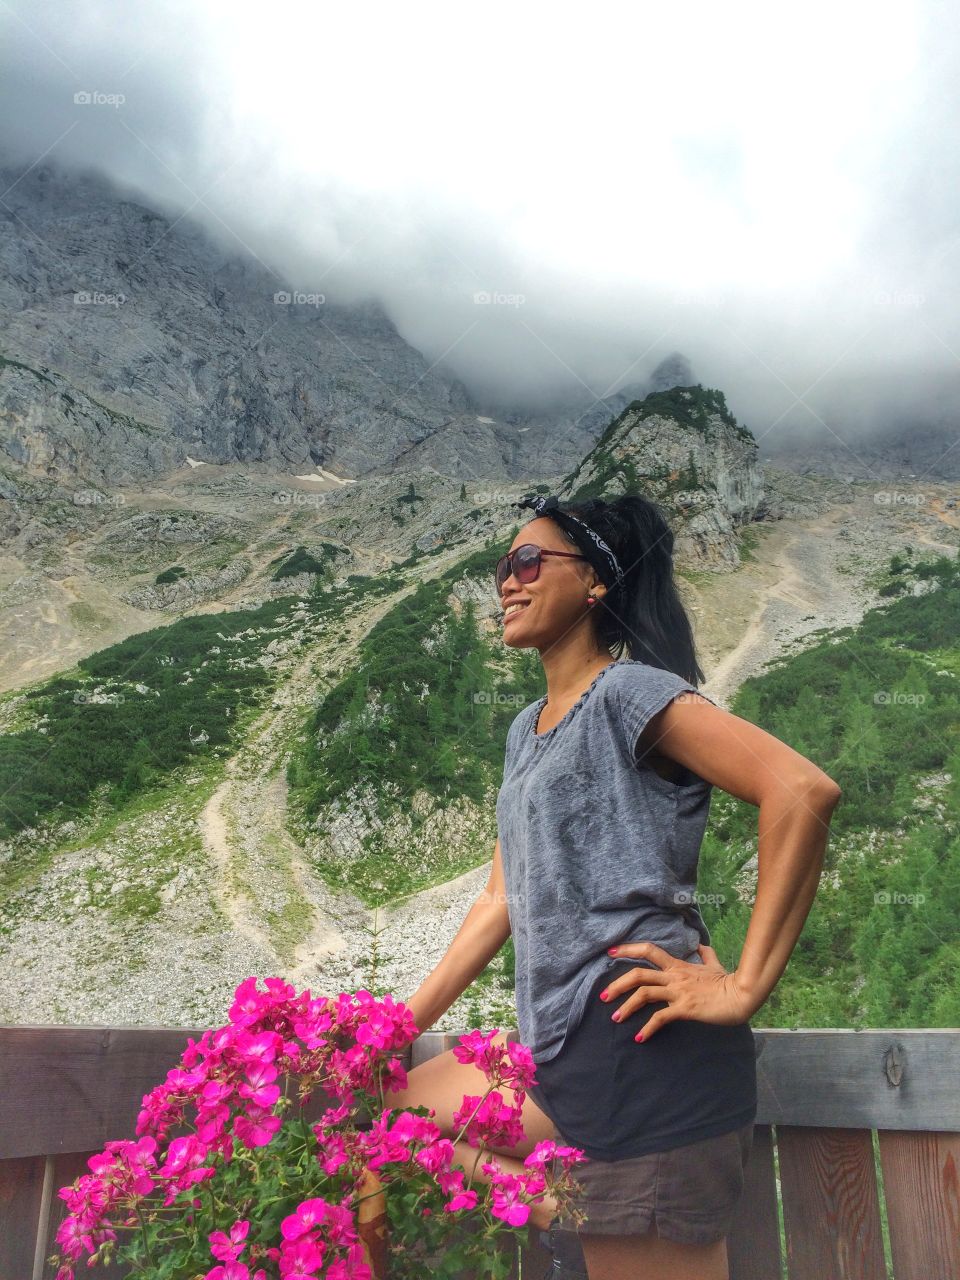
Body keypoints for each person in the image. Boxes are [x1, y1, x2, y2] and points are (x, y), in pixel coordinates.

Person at [396, 491, 842, 1280]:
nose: (508, 580)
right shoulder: (525, 728)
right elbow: (498, 901)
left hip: (645, 1054)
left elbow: (801, 792)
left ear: (596, 582)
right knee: (389, 1110)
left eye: (529, 561)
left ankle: (591, 1201)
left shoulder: (628, 693)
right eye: (502, 568)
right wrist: (389, 1035)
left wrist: (744, 986)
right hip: (565, 1048)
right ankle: (572, 1200)